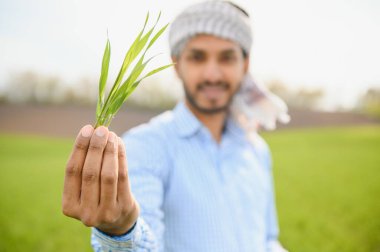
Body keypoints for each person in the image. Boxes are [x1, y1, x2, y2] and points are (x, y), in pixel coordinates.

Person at [62, 1, 290, 251]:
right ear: (177, 64)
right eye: (197, 57)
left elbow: (267, 239)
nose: (212, 74)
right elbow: (142, 239)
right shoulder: (146, 146)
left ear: (244, 66)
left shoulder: (256, 150)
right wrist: (122, 230)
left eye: (227, 57)